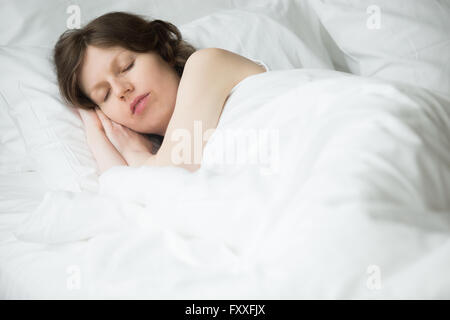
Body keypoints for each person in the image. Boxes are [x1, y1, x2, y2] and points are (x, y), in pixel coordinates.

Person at [53, 11, 266, 174]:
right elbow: (129, 200)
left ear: (162, 50)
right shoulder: (159, 161)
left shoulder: (207, 65)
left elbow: (173, 172)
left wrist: (133, 153)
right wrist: (95, 131)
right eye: (104, 95)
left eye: (127, 67)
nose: (120, 90)